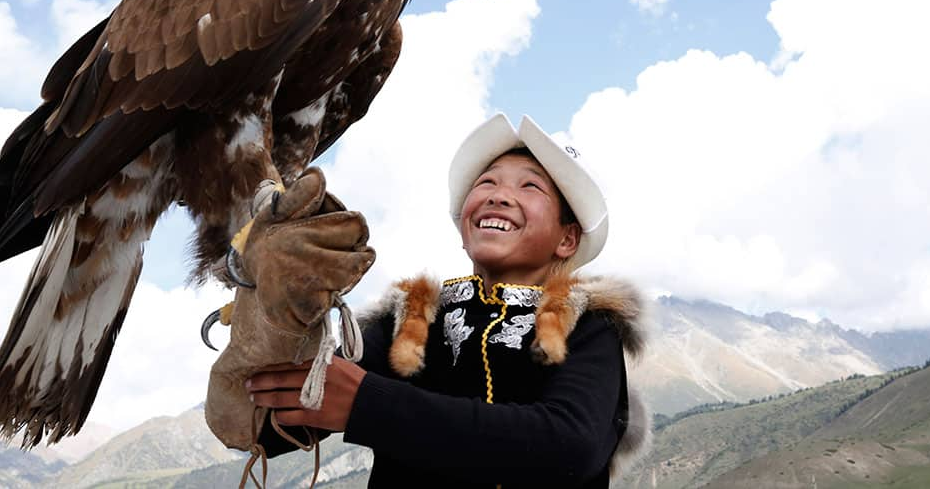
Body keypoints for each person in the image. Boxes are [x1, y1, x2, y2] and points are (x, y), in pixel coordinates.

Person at [245, 113, 647, 488]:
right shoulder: (406, 322)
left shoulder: (591, 327)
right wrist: (271, 303)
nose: (499, 196)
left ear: (567, 239)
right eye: (486, 183)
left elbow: (568, 445)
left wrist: (370, 403)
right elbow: (263, 426)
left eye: (530, 186)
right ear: (463, 226)